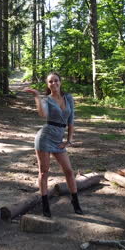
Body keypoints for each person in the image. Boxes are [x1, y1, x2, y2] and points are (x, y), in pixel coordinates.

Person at [25, 72, 83, 217]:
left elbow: (71, 121)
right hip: (44, 138)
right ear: (48, 84)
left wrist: (68, 141)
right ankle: (45, 206)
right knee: (44, 172)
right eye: (50, 81)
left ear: (60, 82)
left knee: (69, 171)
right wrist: (37, 96)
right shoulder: (47, 99)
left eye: (56, 80)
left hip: (59, 140)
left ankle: (75, 202)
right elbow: (43, 114)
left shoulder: (68, 98)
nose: (54, 83)